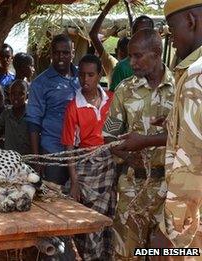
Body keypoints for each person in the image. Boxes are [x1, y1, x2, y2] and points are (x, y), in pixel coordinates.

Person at [102, 28, 175, 259]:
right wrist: (124, 154)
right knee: (126, 254)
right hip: (132, 187)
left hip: (169, 191)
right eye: (130, 56)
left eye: (137, 56)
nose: (131, 62)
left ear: (156, 53)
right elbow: (109, 135)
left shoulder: (180, 89)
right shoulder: (125, 89)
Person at [151, 0, 202, 251]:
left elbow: (191, 163)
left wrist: (169, 232)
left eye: (172, 31)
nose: (173, 41)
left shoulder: (196, 75)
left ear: (191, 21)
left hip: (193, 226)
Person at [61, 54, 115, 260]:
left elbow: (113, 136)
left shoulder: (111, 99)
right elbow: (69, 146)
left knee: (106, 218)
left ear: (99, 74)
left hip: (108, 165)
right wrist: (74, 181)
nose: (85, 80)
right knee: (86, 220)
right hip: (86, 166)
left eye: (91, 75)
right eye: (81, 75)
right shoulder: (73, 106)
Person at [26, 34, 80, 186]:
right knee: (53, 199)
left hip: (81, 152)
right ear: (51, 54)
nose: (60, 56)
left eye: (65, 52)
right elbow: (33, 122)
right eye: (56, 53)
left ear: (73, 53)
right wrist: (37, 159)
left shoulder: (82, 78)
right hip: (53, 152)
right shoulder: (40, 83)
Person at [89, 0, 130, 87]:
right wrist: (108, 6)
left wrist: (127, 6)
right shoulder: (112, 64)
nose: (125, 57)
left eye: (128, 54)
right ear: (116, 51)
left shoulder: (137, 66)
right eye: (123, 52)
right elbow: (93, 35)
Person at [109, 15, 155, 91]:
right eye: (138, 33)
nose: (142, 37)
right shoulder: (122, 68)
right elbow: (114, 98)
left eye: (146, 32)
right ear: (132, 35)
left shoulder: (158, 66)